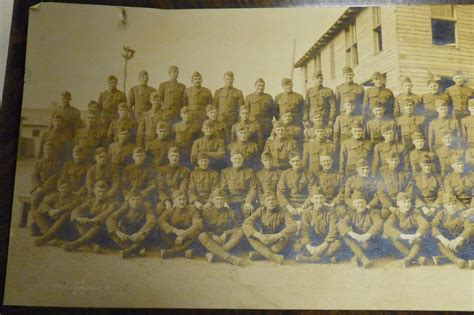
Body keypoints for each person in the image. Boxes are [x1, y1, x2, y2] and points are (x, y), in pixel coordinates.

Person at [243, 191, 297, 264]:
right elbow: (246, 224)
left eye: (273, 199)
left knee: (283, 240)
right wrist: (259, 235)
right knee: (250, 235)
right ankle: (273, 257)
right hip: (265, 239)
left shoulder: (283, 210)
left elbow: (293, 225)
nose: (271, 202)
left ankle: (261, 254)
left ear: (277, 201)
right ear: (264, 203)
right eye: (268, 200)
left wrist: (276, 236)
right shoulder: (261, 210)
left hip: (278, 240)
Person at [63, 180, 118, 252]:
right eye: (99, 191)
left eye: (103, 192)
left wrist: (90, 220)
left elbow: (106, 213)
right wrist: (78, 218)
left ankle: (76, 243)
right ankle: (92, 244)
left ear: (107, 192)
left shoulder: (111, 203)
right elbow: (77, 209)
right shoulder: (91, 201)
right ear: (94, 192)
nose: (101, 194)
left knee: (98, 224)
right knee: (78, 222)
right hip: (89, 231)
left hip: (103, 233)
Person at [338, 191, 384, 268]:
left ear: (366, 203)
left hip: (369, 239)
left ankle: (355, 258)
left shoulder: (373, 213)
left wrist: (368, 234)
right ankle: (364, 259)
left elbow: (379, 222)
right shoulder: (350, 213)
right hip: (357, 239)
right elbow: (341, 223)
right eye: (358, 203)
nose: (360, 205)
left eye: (362, 202)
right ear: (353, 204)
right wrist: (352, 233)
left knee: (366, 245)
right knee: (347, 237)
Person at [384, 192, 430, 267]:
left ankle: (409, 259)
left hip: (414, 241)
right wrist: (404, 236)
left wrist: (416, 235)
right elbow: (387, 227)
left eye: (409, 201)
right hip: (403, 241)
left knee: (419, 238)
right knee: (394, 239)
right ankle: (416, 258)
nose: (407, 204)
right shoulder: (395, 214)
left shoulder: (415, 213)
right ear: (398, 204)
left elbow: (424, 224)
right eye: (404, 202)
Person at [106, 188, 156, 258]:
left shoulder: (145, 208)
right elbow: (111, 218)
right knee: (112, 230)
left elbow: (152, 220)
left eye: (137, 199)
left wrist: (140, 233)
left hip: (138, 234)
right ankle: (133, 249)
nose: (135, 202)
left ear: (141, 200)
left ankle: (130, 250)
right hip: (126, 233)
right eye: (132, 199)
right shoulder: (125, 207)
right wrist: (118, 232)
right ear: (129, 201)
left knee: (145, 234)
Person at [198, 189, 244, 266]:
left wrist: (226, 233)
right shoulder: (207, 212)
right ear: (213, 200)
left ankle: (215, 254)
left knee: (240, 232)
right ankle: (229, 258)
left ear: (225, 200)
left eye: (221, 199)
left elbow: (238, 227)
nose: (219, 201)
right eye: (217, 199)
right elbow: (203, 227)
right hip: (212, 240)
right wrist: (212, 235)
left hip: (225, 241)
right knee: (202, 236)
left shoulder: (231, 212)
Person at [296, 187, 341, 263]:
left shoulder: (331, 211)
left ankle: (308, 259)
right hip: (312, 241)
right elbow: (304, 231)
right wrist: (309, 247)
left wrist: (324, 245)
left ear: (324, 199)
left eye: (321, 198)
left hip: (326, 241)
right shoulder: (306, 212)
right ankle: (326, 259)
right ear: (312, 200)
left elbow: (333, 230)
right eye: (316, 198)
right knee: (296, 244)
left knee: (337, 244)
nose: (319, 201)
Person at [33, 179, 80, 246]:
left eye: (66, 187)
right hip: (54, 217)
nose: (64, 190)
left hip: (66, 222)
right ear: (58, 188)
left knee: (67, 214)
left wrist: (58, 210)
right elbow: (43, 204)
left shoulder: (75, 196)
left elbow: (72, 205)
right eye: (62, 188)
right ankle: (49, 236)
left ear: (69, 188)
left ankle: (46, 236)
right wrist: (49, 211)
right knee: (37, 212)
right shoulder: (55, 195)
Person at [431, 193, 473, 269]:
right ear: (444, 206)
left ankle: (444, 259)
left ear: (456, 204)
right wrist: (442, 238)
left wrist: (459, 239)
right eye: (449, 204)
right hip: (447, 243)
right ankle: (457, 261)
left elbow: (470, 228)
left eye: (453, 204)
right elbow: (434, 226)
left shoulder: (462, 214)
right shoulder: (441, 214)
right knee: (440, 245)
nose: (452, 207)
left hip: (460, 242)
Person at [158, 190, 203, 259]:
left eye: (184, 199)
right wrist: (175, 231)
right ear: (174, 201)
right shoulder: (170, 210)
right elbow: (161, 221)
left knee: (197, 233)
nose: (182, 202)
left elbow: (198, 224)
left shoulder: (192, 209)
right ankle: (183, 252)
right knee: (163, 230)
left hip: (187, 237)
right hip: (175, 237)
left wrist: (184, 234)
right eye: (179, 199)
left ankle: (173, 252)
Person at [277, 151, 317, 217]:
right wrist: (289, 207)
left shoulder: (309, 173)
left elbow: (313, 192)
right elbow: (280, 192)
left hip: (305, 204)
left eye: (297, 161)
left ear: (301, 160)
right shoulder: (285, 174)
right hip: (289, 204)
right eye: (293, 161)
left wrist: (303, 207)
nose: (295, 163)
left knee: (308, 216)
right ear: (290, 162)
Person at [220, 149, 258, 218]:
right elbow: (223, 190)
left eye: (240, 158)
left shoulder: (250, 171)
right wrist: (225, 202)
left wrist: (248, 201)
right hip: (231, 201)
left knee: (248, 213)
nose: (237, 161)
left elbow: (253, 188)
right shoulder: (225, 172)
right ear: (231, 159)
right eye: (235, 159)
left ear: (243, 159)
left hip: (244, 200)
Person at [377, 152, 413, 219]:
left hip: (404, 202)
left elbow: (409, 188)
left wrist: (403, 203)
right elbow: (381, 192)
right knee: (385, 213)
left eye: (396, 160)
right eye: (392, 160)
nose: (394, 162)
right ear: (387, 160)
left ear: (399, 160)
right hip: (390, 203)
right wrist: (390, 207)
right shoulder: (383, 174)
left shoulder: (405, 173)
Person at [31, 141, 61, 220]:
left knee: (48, 201)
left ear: (53, 151)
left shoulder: (57, 163)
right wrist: (38, 187)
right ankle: (34, 222)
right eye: (46, 149)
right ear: (43, 150)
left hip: (52, 189)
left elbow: (54, 178)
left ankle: (44, 222)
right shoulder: (38, 162)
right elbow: (34, 176)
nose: (48, 151)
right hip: (40, 188)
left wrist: (42, 189)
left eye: (50, 150)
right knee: (34, 199)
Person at [413, 155, 444, 221]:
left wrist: (434, 207)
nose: (427, 168)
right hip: (422, 205)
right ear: (420, 165)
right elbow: (414, 194)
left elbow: (441, 192)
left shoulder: (437, 176)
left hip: (434, 203)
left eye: (429, 165)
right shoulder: (416, 177)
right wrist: (423, 207)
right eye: (425, 165)